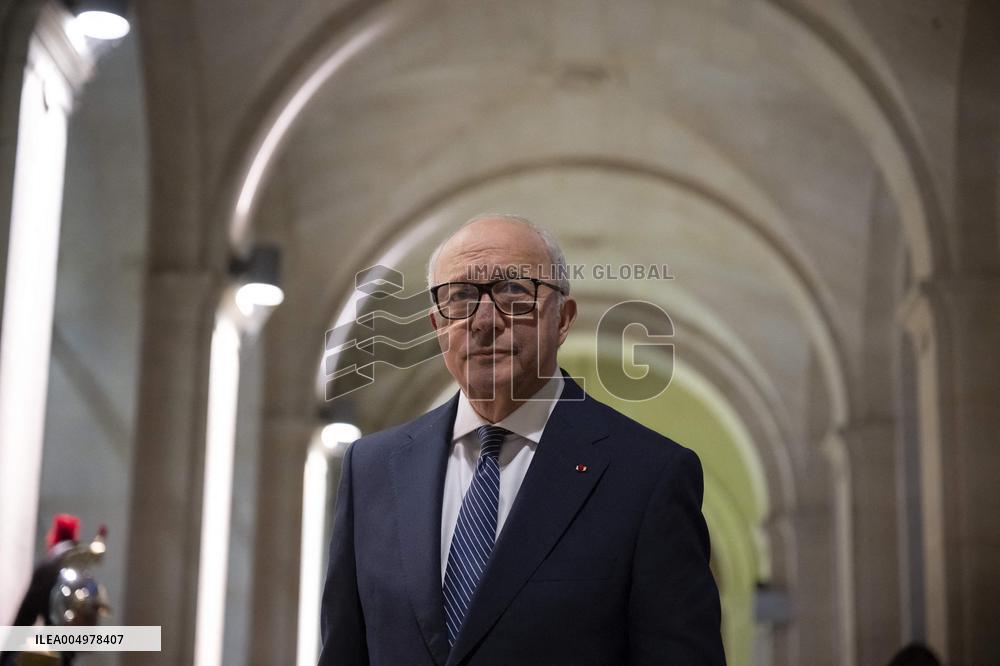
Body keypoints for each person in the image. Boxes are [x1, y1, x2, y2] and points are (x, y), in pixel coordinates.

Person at [319, 214, 725, 665]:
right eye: (460, 297)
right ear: (437, 325)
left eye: (514, 292)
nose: (484, 321)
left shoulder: (647, 476)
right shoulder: (372, 469)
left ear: (563, 318)